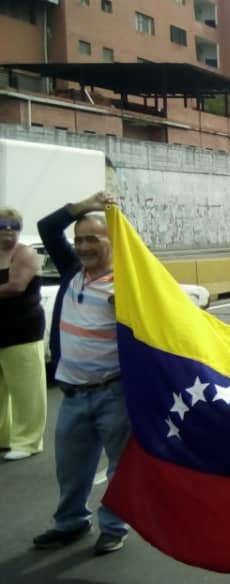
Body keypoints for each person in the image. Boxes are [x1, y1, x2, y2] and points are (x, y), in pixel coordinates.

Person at [32, 192, 130, 555]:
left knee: (119, 469)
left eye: (94, 239)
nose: (85, 246)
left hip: (113, 394)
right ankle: (70, 523)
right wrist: (87, 205)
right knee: (71, 469)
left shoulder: (128, 285)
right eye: (80, 240)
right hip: (72, 393)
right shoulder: (73, 271)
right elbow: (47, 227)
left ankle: (113, 526)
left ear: (112, 241)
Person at [0, 207, 48, 461]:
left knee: (26, 391)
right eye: (3, 225)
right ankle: (3, 438)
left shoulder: (26, 253)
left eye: (13, 226)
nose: (8, 231)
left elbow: (16, 286)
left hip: (23, 330)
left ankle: (27, 441)